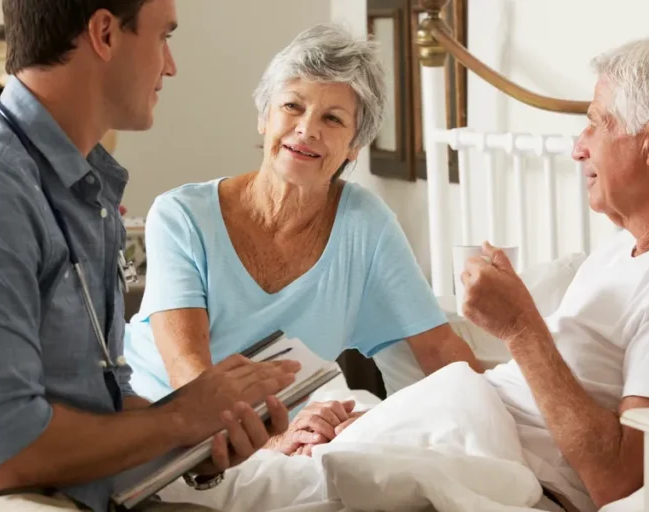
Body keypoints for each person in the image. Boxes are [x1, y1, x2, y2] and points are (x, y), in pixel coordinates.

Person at [0, 1, 300, 511]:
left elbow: (105, 402)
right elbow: (2, 448)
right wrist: (182, 417)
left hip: (78, 489)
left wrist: (204, 443)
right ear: (104, 33)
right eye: (163, 37)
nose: (170, 65)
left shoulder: (84, 189)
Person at [122, 23, 482, 455]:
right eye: (292, 106)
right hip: (167, 432)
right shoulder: (181, 216)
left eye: (333, 118)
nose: (307, 129)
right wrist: (275, 442)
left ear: (355, 145)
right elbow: (191, 378)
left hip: (283, 437)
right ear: (264, 117)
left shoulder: (365, 224)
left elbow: (440, 350)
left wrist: (501, 422)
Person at [455, 36, 649, 511]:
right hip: (454, 435)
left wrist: (520, 328)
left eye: (596, 124)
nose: (578, 148)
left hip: (497, 474)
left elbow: (620, 481)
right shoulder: (623, 247)